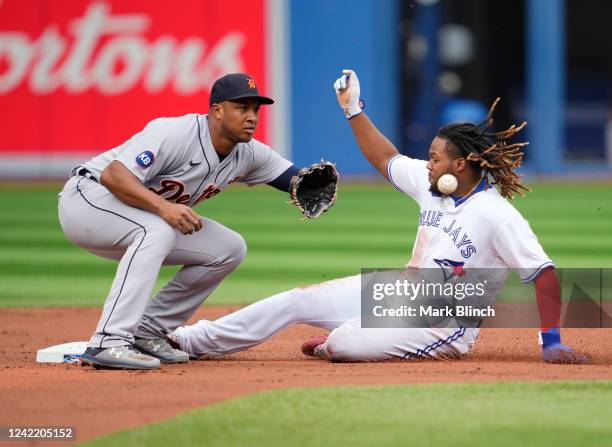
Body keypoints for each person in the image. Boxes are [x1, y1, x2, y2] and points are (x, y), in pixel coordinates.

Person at [168, 69, 586, 364]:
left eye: (437, 158)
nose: (428, 164)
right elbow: (385, 157)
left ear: (460, 166)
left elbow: (543, 273)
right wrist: (353, 109)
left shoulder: (498, 215)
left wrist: (550, 340)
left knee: (343, 346)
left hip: (444, 322)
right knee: (298, 299)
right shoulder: (430, 183)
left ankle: (345, 336)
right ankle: (189, 339)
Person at [58, 73, 328, 370]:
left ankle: (146, 333)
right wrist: (163, 207)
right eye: (242, 107)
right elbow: (113, 176)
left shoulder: (249, 154)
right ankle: (108, 341)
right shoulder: (175, 133)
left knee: (228, 248)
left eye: (256, 109)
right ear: (217, 110)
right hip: (87, 200)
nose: (251, 117)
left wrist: (316, 186)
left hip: (137, 217)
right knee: (156, 228)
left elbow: (298, 180)